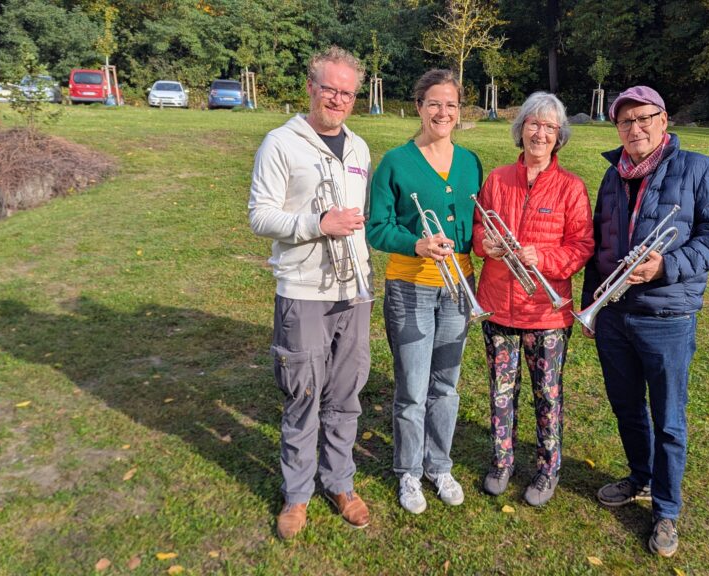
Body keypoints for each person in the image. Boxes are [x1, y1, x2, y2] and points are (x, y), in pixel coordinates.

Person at [581, 86, 709, 557]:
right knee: (626, 407)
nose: (636, 128)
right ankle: (639, 477)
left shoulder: (700, 169)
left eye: (644, 118)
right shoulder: (613, 176)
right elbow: (601, 245)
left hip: (666, 315)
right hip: (613, 315)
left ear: (663, 120)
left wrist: (666, 266)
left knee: (668, 419)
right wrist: (591, 304)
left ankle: (666, 510)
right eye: (625, 122)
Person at [248, 46, 373, 540]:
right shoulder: (280, 143)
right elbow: (260, 215)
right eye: (330, 89)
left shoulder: (360, 148)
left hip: (354, 289)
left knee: (346, 394)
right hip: (303, 289)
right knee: (302, 394)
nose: (338, 99)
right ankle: (297, 494)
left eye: (346, 93)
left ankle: (339, 482)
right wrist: (317, 223)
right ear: (311, 87)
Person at [366, 69, 482, 515]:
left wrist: (483, 240)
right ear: (418, 107)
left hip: (458, 288)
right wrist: (416, 243)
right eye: (434, 103)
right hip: (410, 288)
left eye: (451, 104)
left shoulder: (470, 162)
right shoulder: (395, 161)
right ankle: (409, 472)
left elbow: (474, 225)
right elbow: (377, 227)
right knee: (413, 389)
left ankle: (440, 464)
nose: (443, 112)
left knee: (446, 387)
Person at [471, 92, 593, 506]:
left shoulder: (571, 188)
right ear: (520, 128)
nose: (540, 133)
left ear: (559, 136)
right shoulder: (497, 179)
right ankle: (502, 460)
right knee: (501, 390)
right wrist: (487, 244)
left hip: (546, 311)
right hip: (498, 304)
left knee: (548, 393)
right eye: (533, 124)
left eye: (549, 127)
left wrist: (542, 256)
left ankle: (548, 467)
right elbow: (477, 232)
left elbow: (581, 247)